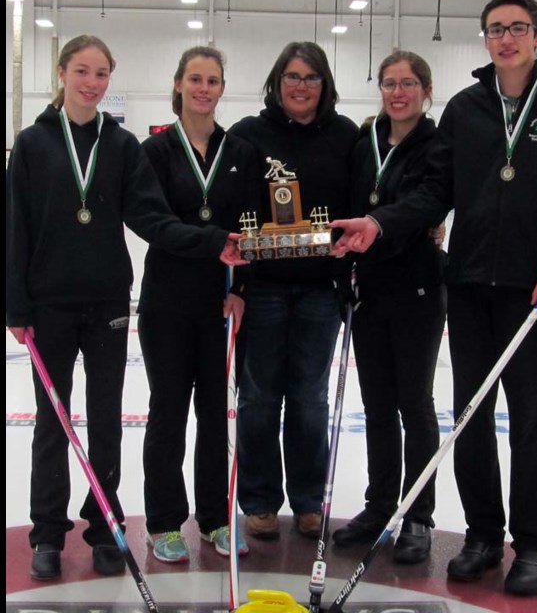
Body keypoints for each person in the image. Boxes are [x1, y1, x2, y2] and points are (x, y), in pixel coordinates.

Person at [330, 0, 537, 595]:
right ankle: (483, 533)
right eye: (496, 29)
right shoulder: (468, 109)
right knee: (470, 416)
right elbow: (434, 192)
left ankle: (532, 542)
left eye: (518, 28)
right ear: (485, 40)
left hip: (533, 290)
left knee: (530, 417)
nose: (506, 38)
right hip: (471, 283)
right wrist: (379, 224)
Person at [6, 35, 245, 581]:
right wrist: (16, 305)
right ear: (62, 72)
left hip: (109, 299)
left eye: (102, 73)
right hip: (48, 306)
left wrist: (212, 243)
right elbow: (15, 228)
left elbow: (152, 218)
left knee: (108, 420)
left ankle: (105, 525)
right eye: (82, 71)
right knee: (54, 421)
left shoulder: (121, 146)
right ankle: (47, 530)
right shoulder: (33, 143)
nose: (92, 82)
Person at [228, 42, 358, 540]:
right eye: (291, 76)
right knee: (258, 398)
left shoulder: (345, 135)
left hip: (319, 291)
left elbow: (364, 200)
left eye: (310, 77)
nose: (300, 86)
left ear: (324, 85)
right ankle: (259, 501)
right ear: (276, 81)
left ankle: (308, 500)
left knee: (308, 399)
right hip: (261, 288)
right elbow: (230, 205)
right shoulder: (248, 135)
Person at [138, 46, 257, 563]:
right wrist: (211, 241)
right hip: (166, 302)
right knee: (168, 413)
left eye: (212, 80)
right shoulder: (156, 151)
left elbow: (252, 228)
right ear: (179, 84)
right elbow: (152, 223)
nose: (203, 88)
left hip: (218, 302)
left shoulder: (240, 150)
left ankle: (213, 518)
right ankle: (163, 521)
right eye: (195, 78)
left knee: (215, 415)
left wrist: (241, 291)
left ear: (222, 88)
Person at [329, 51, 446, 565]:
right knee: (376, 404)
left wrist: (380, 227)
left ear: (425, 89)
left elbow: (428, 203)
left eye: (408, 83)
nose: (398, 93)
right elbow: (346, 202)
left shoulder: (437, 145)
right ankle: (381, 505)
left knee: (413, 404)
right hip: (369, 290)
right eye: (389, 83)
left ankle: (418, 514)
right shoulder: (365, 142)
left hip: (417, 288)